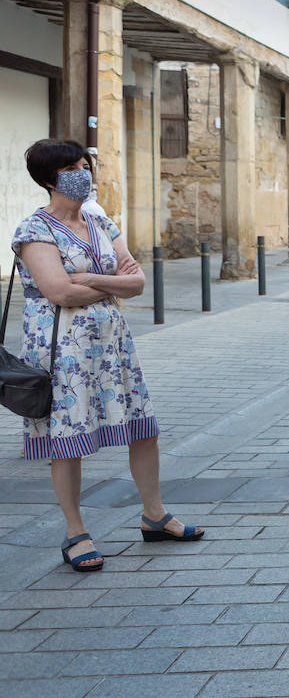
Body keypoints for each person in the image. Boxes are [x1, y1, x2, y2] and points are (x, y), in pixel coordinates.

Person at [10, 140, 204, 573]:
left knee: (143, 426)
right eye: (71, 168)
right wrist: (109, 282)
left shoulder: (98, 218)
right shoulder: (33, 230)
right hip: (63, 350)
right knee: (67, 439)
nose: (83, 172)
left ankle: (154, 515)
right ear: (48, 180)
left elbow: (136, 283)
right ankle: (76, 532)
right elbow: (58, 292)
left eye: (84, 164)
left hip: (112, 342)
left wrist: (89, 277)